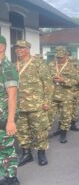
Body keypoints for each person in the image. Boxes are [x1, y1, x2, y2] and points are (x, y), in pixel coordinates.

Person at [15, 40, 52, 167]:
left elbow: (48, 84)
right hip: (19, 105)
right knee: (22, 131)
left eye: (22, 48)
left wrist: (47, 101)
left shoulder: (38, 63)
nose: (19, 50)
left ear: (28, 49)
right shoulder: (15, 64)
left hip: (37, 105)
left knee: (40, 130)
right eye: (17, 48)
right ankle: (26, 154)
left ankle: (41, 154)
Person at [0, 35, 20, 185]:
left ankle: (12, 178)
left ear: (1, 47)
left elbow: (12, 96)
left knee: (7, 148)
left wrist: (10, 121)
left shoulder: (7, 67)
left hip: (4, 117)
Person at [48, 47, 77, 143]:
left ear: (66, 56)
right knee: (49, 116)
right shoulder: (51, 65)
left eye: (61, 57)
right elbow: (45, 78)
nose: (59, 59)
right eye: (57, 57)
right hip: (52, 95)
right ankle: (46, 134)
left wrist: (63, 80)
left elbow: (76, 81)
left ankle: (63, 134)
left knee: (65, 116)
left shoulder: (71, 66)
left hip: (66, 96)